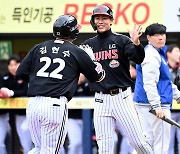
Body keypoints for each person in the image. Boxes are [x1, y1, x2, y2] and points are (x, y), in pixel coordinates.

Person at [16, 14, 105, 154]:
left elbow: (20, 73)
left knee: (38, 149)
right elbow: (98, 77)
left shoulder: (39, 47)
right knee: (51, 151)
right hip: (54, 105)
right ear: (72, 31)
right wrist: (91, 58)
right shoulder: (77, 51)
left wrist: (39, 83)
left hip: (33, 103)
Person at [82, 4, 153, 154]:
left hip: (122, 97)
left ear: (111, 20)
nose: (100, 21)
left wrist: (136, 43)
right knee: (105, 147)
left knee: (138, 142)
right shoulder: (88, 45)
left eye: (104, 18)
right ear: (93, 21)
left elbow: (138, 58)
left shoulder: (121, 40)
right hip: (101, 99)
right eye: (97, 18)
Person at [134, 23, 180, 154]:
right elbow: (149, 83)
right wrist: (157, 106)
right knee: (160, 146)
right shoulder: (151, 55)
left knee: (146, 143)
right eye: (156, 35)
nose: (161, 38)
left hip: (147, 104)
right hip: (155, 107)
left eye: (163, 34)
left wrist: (177, 95)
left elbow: (165, 81)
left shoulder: (157, 53)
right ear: (148, 37)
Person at [0, 55, 33, 154]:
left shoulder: (26, 75)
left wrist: (12, 93)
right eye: (10, 65)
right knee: (23, 141)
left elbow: (26, 91)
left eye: (15, 64)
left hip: (29, 112)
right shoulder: (4, 77)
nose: (13, 67)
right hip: (14, 113)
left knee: (27, 133)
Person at [67, 73, 94, 154]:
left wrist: (83, 83)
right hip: (72, 118)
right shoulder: (69, 83)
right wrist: (76, 84)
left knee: (87, 143)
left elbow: (92, 96)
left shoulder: (88, 83)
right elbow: (66, 95)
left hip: (89, 119)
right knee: (76, 143)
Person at [166, 44, 180, 154]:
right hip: (167, 110)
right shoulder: (163, 68)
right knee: (168, 142)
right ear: (168, 53)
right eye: (176, 51)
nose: (179, 54)